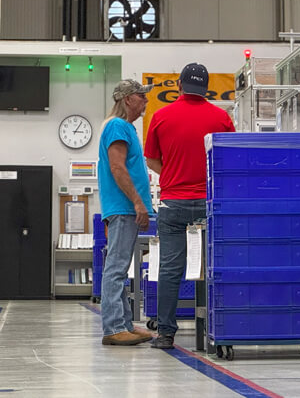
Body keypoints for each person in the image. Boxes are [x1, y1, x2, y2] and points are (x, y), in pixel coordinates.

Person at [144, 63, 235, 349]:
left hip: (173, 203)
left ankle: (166, 334)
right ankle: (222, 328)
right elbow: (229, 161)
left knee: (170, 269)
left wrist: (172, 175)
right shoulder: (222, 118)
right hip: (211, 203)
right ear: (206, 89)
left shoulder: (160, 116)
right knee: (219, 266)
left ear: (179, 86)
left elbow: (151, 160)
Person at [98, 79, 156, 346]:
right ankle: (113, 328)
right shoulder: (118, 126)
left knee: (120, 268)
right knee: (116, 269)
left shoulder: (126, 128)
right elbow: (117, 168)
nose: (145, 101)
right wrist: (137, 202)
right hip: (123, 208)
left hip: (123, 208)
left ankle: (123, 324)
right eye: (141, 96)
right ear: (127, 99)